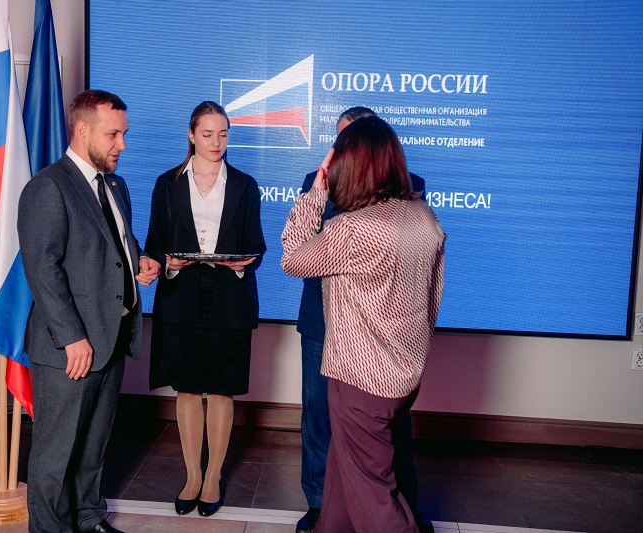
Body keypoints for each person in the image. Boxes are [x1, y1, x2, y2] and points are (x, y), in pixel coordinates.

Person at [282, 115, 445, 532]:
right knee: (343, 480)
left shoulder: (352, 229)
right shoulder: (423, 218)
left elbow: (293, 258)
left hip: (360, 381)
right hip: (403, 375)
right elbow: (432, 300)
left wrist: (317, 192)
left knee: (375, 498)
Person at [18, 90, 160, 533]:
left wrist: (139, 261)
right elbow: (42, 269)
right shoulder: (47, 187)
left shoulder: (115, 185)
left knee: (94, 446)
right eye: (113, 134)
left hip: (111, 338)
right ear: (82, 131)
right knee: (56, 453)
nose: (123, 145)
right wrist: (71, 337)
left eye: (124, 134)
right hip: (71, 348)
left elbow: (116, 244)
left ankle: (89, 519)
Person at [145, 101, 266, 518]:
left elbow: (257, 246)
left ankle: (213, 478)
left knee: (220, 389)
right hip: (180, 296)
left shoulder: (246, 185)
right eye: (208, 134)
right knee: (186, 388)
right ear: (191, 135)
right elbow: (154, 241)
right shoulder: (167, 184)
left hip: (230, 297)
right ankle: (192, 477)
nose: (217, 142)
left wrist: (242, 262)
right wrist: (167, 263)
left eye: (224, 134)